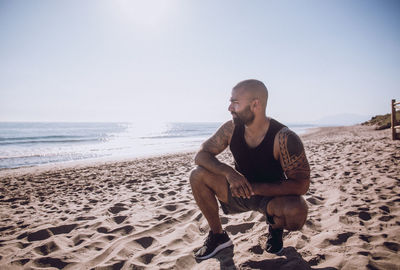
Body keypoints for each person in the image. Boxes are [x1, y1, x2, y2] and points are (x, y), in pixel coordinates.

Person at [190, 79, 310, 260]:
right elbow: (201, 155)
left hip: (271, 196)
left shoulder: (284, 138)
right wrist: (230, 173)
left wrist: (256, 188)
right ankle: (218, 236)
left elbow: (301, 185)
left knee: (297, 211)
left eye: (235, 103)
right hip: (239, 190)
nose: (230, 108)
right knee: (197, 175)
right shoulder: (231, 128)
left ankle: (275, 229)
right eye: (230, 102)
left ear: (255, 105)